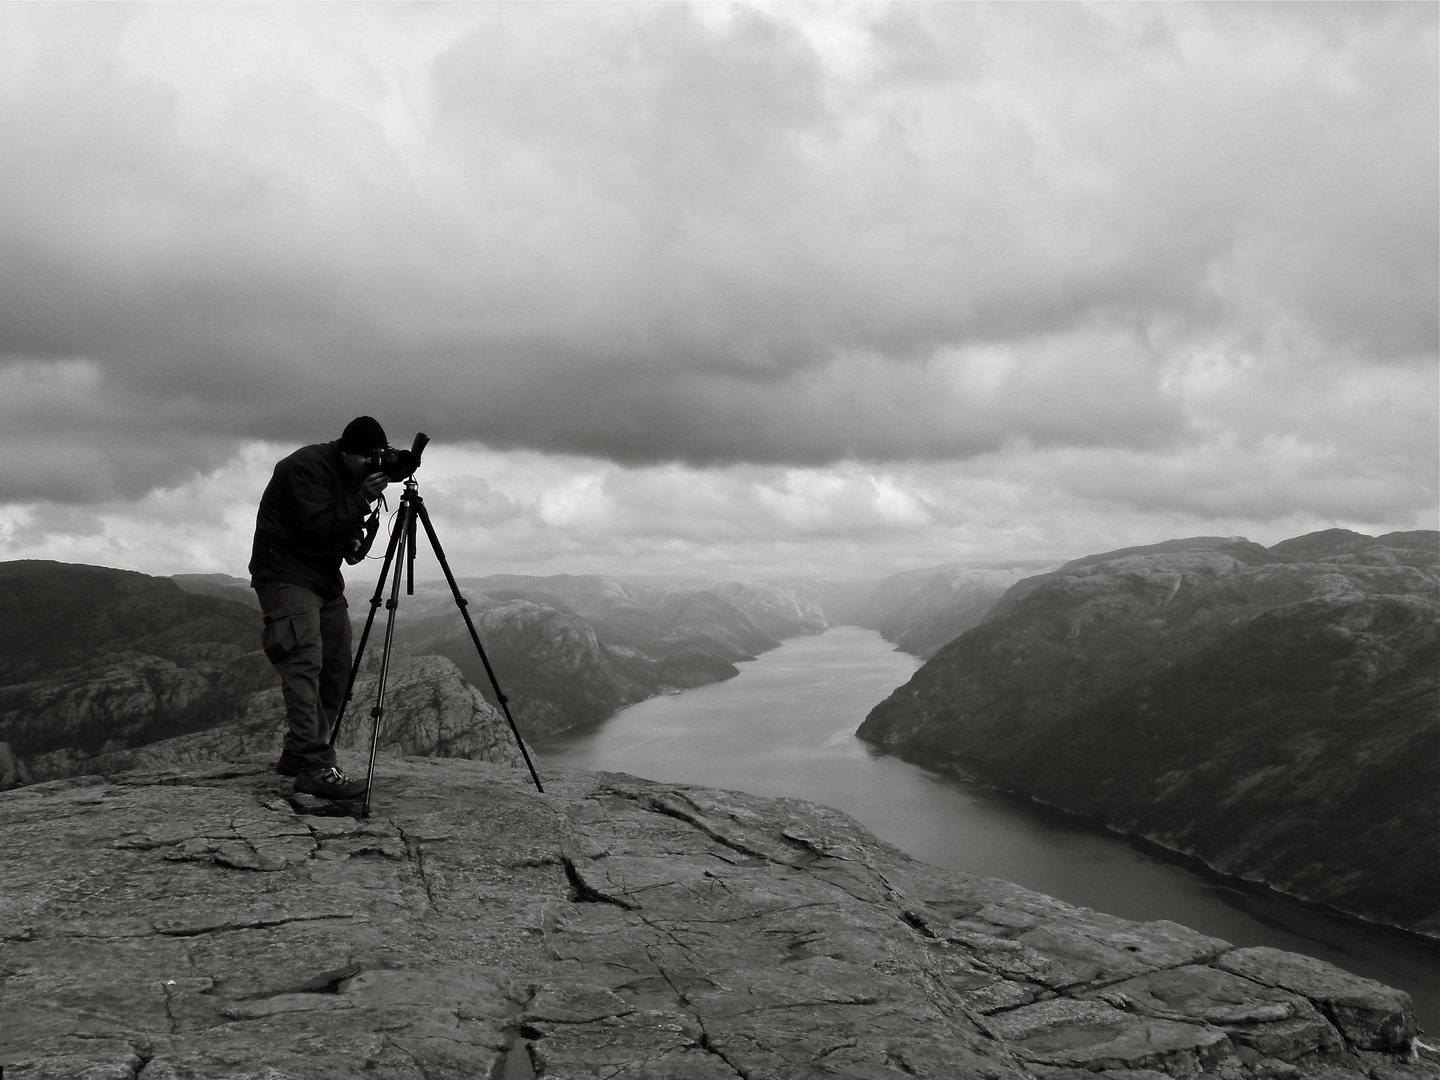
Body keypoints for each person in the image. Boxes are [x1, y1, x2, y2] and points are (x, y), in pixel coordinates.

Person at [248, 416, 391, 799]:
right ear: (346, 450)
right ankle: (314, 766)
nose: (371, 467)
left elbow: (334, 529)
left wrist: (353, 543)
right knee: (304, 665)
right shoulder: (303, 467)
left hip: (322, 579)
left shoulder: (350, 475)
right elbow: (316, 525)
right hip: (285, 575)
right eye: (366, 459)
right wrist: (362, 498)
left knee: (335, 669)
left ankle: (298, 753)